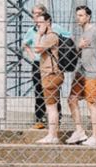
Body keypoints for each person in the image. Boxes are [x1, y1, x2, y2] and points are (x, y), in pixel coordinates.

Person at [22, 4, 70, 130]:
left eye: (39, 13)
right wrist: (32, 57)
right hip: (38, 63)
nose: (36, 16)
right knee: (38, 91)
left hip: (51, 64)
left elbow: (69, 38)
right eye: (34, 14)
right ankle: (40, 119)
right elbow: (26, 44)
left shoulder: (55, 29)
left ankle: (56, 120)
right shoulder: (31, 31)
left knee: (54, 91)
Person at [65, 5, 96, 147]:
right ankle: (79, 131)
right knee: (72, 99)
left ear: (88, 17)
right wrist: (78, 46)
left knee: (91, 103)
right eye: (77, 15)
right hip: (80, 72)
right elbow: (78, 52)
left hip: (93, 72)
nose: (78, 17)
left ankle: (95, 137)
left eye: (81, 15)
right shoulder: (82, 33)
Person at [31, 12, 65, 144]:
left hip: (51, 74)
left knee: (51, 107)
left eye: (40, 23)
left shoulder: (51, 36)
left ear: (48, 22)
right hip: (50, 73)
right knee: (52, 105)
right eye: (37, 23)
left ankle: (52, 135)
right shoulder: (49, 37)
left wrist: (39, 34)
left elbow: (37, 49)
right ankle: (52, 134)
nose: (38, 25)